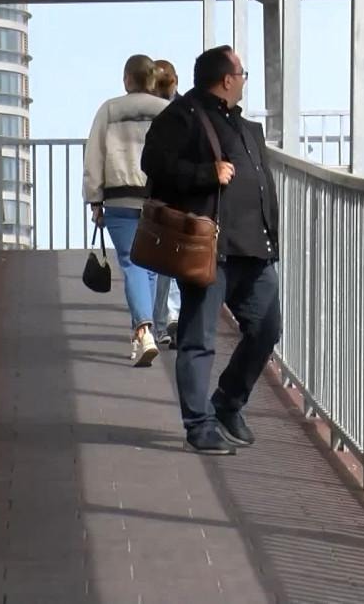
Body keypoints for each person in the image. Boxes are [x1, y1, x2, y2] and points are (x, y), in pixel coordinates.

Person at [141, 46, 282, 455]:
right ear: (226, 79)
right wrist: (206, 173)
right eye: (242, 74)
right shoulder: (182, 117)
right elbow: (154, 164)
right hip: (210, 250)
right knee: (198, 339)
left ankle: (227, 404)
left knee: (267, 329)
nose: (244, 81)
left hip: (254, 250)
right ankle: (199, 425)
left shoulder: (245, 127)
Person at [83, 54, 170, 367]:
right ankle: (144, 331)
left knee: (132, 264)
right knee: (151, 266)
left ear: (127, 79)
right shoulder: (166, 110)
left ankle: (143, 330)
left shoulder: (109, 110)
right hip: (158, 201)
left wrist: (95, 199)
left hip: (119, 200)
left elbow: (94, 156)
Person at [149, 58, 182, 347]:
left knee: (163, 261)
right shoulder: (186, 110)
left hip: (162, 192)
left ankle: (165, 317)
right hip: (175, 193)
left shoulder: (150, 111)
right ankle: (168, 316)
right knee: (169, 260)